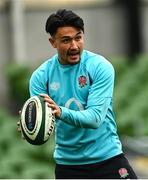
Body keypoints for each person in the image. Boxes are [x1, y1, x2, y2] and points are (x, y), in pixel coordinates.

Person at [19, 9, 138, 179]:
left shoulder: (100, 67)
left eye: (78, 38)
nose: (74, 46)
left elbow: (95, 118)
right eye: (66, 40)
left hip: (108, 159)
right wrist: (30, 124)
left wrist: (60, 111)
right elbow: (42, 124)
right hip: (68, 166)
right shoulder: (40, 77)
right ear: (53, 42)